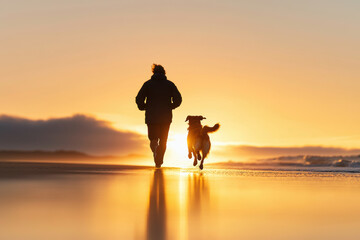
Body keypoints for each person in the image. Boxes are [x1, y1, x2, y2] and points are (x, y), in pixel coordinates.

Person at [136, 64, 182, 167]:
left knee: (153, 139)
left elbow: (139, 98)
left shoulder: (147, 84)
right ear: (164, 73)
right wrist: (171, 106)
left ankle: (156, 153)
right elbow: (178, 99)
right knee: (163, 140)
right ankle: (159, 161)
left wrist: (143, 107)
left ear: (153, 72)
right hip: (166, 118)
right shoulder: (170, 85)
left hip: (151, 117)